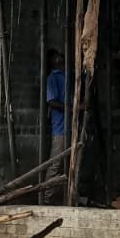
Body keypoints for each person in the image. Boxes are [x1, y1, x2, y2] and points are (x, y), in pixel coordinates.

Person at [44, 49, 68, 201]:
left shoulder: (68, 75)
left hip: (71, 126)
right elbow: (52, 102)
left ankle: (67, 196)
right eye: (56, 56)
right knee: (56, 164)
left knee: (69, 163)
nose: (60, 57)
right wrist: (72, 108)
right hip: (60, 127)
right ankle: (47, 197)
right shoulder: (53, 78)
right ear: (52, 61)